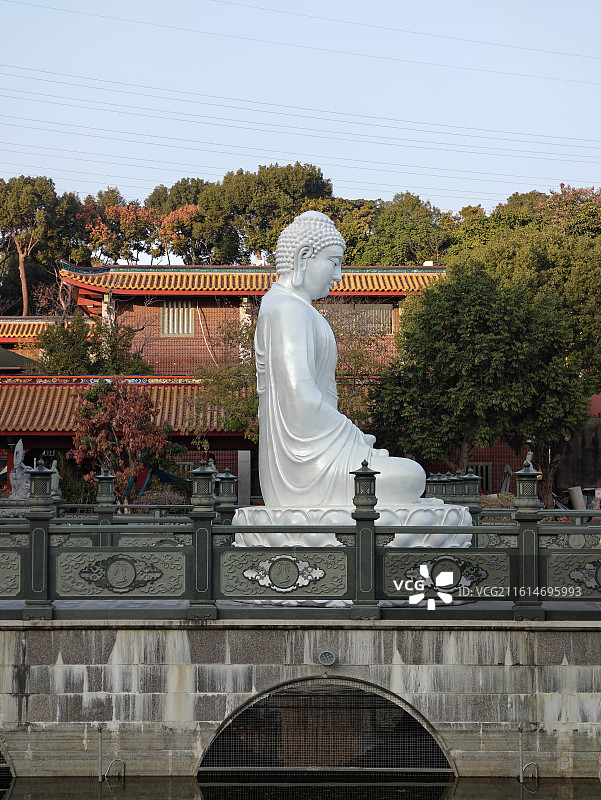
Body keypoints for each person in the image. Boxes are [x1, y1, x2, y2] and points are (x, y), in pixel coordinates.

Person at [256, 210, 426, 510]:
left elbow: (322, 397)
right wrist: (356, 439)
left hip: (321, 451)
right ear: (303, 256)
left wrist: (353, 444)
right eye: (333, 263)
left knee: (408, 474)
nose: (338, 275)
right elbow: (301, 400)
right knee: (411, 476)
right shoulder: (286, 309)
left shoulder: (296, 308)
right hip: (305, 467)